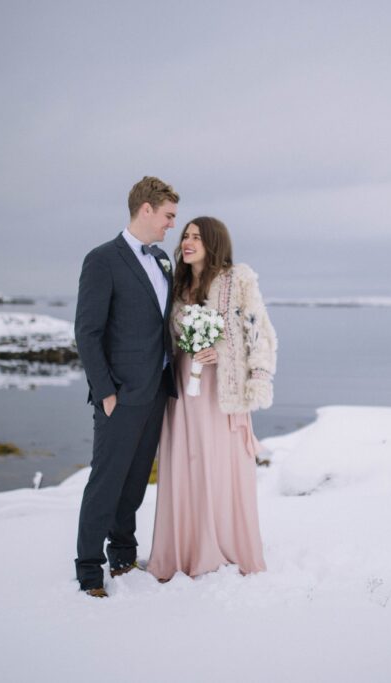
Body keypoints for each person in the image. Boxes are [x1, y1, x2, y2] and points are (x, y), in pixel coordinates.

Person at [147, 216, 277, 581]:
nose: (187, 242)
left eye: (196, 238)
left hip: (221, 389)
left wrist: (225, 356)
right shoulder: (177, 283)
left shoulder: (239, 280)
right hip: (183, 388)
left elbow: (260, 335)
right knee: (186, 461)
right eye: (185, 236)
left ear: (213, 242)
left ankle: (224, 545)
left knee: (220, 463)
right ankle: (183, 549)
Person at [73, 176, 180, 598]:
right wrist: (106, 392)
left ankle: (122, 556)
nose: (172, 225)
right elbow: (87, 331)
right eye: (169, 216)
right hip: (119, 394)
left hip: (157, 391)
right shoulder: (102, 259)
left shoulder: (163, 262)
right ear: (146, 209)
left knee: (135, 482)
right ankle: (88, 571)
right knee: (106, 482)